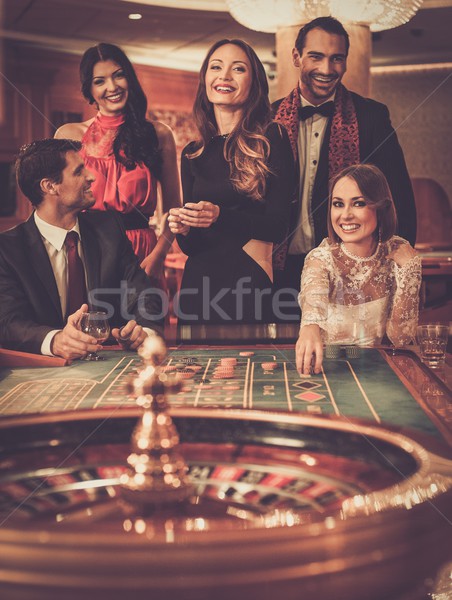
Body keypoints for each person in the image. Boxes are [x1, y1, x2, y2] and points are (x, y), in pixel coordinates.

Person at [273, 16, 417, 312]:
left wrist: (397, 272)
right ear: (296, 57)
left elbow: (398, 197)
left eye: (336, 58)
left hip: (352, 273)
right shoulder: (266, 118)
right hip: (280, 271)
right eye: (316, 56)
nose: (327, 69)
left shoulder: (372, 117)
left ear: (346, 62)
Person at [168, 39, 295, 324]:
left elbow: (278, 226)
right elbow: (191, 248)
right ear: (205, 80)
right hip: (196, 286)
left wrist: (219, 216)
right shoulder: (192, 153)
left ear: (255, 83)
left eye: (238, 69)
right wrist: (183, 229)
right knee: (193, 369)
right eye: (216, 67)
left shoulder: (272, 138)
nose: (224, 76)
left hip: (246, 281)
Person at [0, 139, 164, 360]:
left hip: (107, 363)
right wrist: (55, 340)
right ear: (50, 186)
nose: (91, 176)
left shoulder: (110, 228)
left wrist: (144, 330)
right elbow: (8, 322)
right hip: (43, 369)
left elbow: (143, 293)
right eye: (79, 171)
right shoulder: (8, 249)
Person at [55, 42, 180, 287]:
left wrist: (159, 255)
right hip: (87, 249)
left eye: (118, 75)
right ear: (89, 90)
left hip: (142, 251)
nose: (112, 87)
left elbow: (174, 208)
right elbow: (57, 206)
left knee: (143, 325)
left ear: (129, 79)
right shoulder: (68, 135)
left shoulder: (158, 134)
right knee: (91, 323)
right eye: (99, 81)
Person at [295, 163, 421, 376]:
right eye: (338, 204)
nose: (345, 215)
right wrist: (309, 327)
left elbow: (400, 339)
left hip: (377, 371)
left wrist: (411, 272)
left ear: (380, 208)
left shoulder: (398, 254)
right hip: (330, 371)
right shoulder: (321, 258)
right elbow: (312, 307)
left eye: (358, 203)